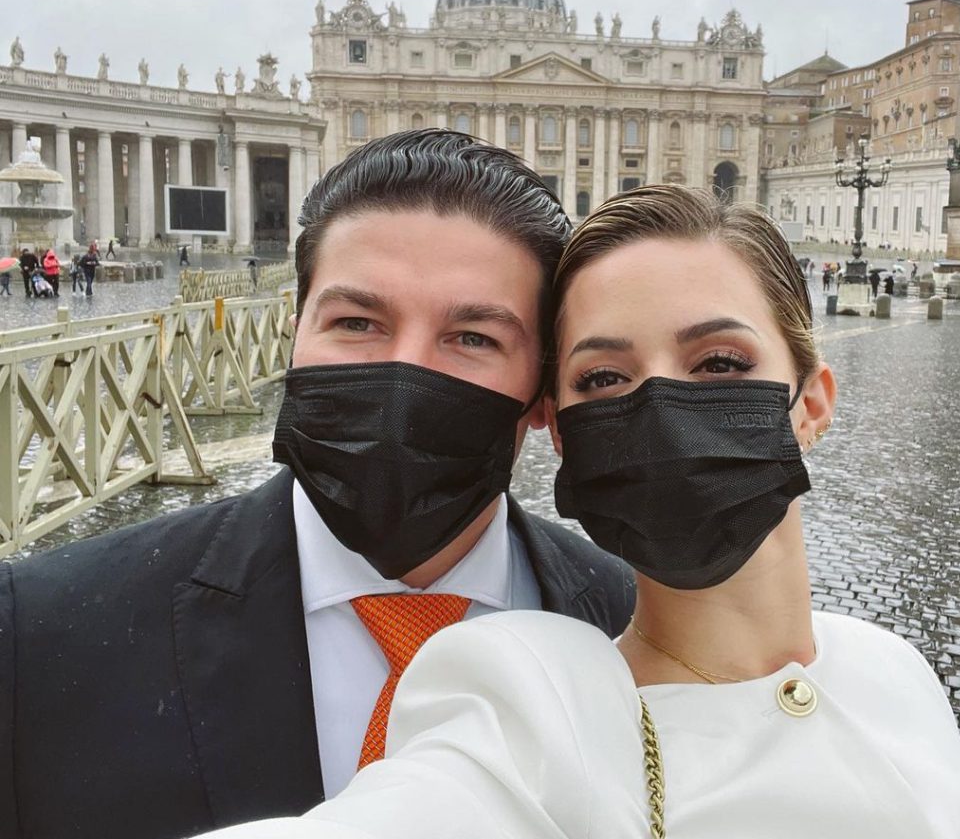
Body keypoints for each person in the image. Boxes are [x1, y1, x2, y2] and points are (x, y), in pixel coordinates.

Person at [203, 185, 960, 838]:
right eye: (603, 379)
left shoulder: (890, 667)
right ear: (560, 431)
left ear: (813, 402)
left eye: (718, 362)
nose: (660, 407)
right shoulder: (535, 713)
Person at [0, 129, 634, 839]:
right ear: (294, 333)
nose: (404, 373)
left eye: (473, 338)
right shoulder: (35, 638)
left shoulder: (633, 630)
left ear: (543, 392)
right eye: (357, 322)